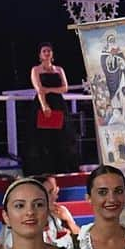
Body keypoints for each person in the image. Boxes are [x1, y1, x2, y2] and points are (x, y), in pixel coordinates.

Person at [32, 42, 75, 173]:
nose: (47, 53)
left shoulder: (59, 69)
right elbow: (39, 89)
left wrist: (49, 89)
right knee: (45, 137)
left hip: (58, 104)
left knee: (62, 136)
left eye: (49, 51)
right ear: (40, 54)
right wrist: (45, 105)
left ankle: (62, 168)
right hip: (43, 104)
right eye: (44, 51)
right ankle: (45, 169)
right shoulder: (36, 70)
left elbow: (65, 88)